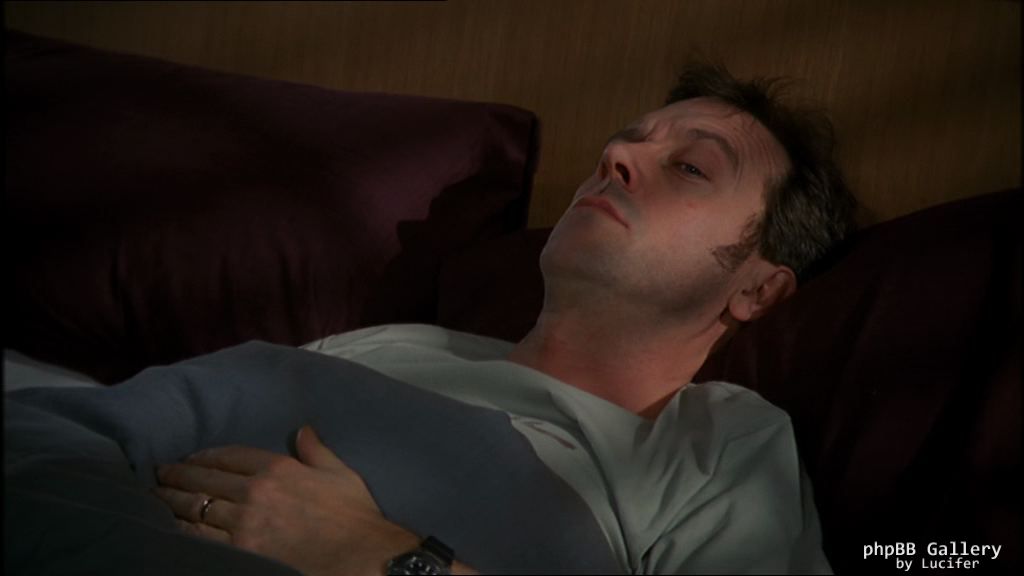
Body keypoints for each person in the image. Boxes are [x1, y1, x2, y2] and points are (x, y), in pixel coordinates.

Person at [149, 61, 857, 575]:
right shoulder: (393, 345)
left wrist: (379, 558)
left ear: (759, 290)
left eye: (691, 168)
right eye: (627, 141)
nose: (616, 155)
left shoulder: (717, 445)